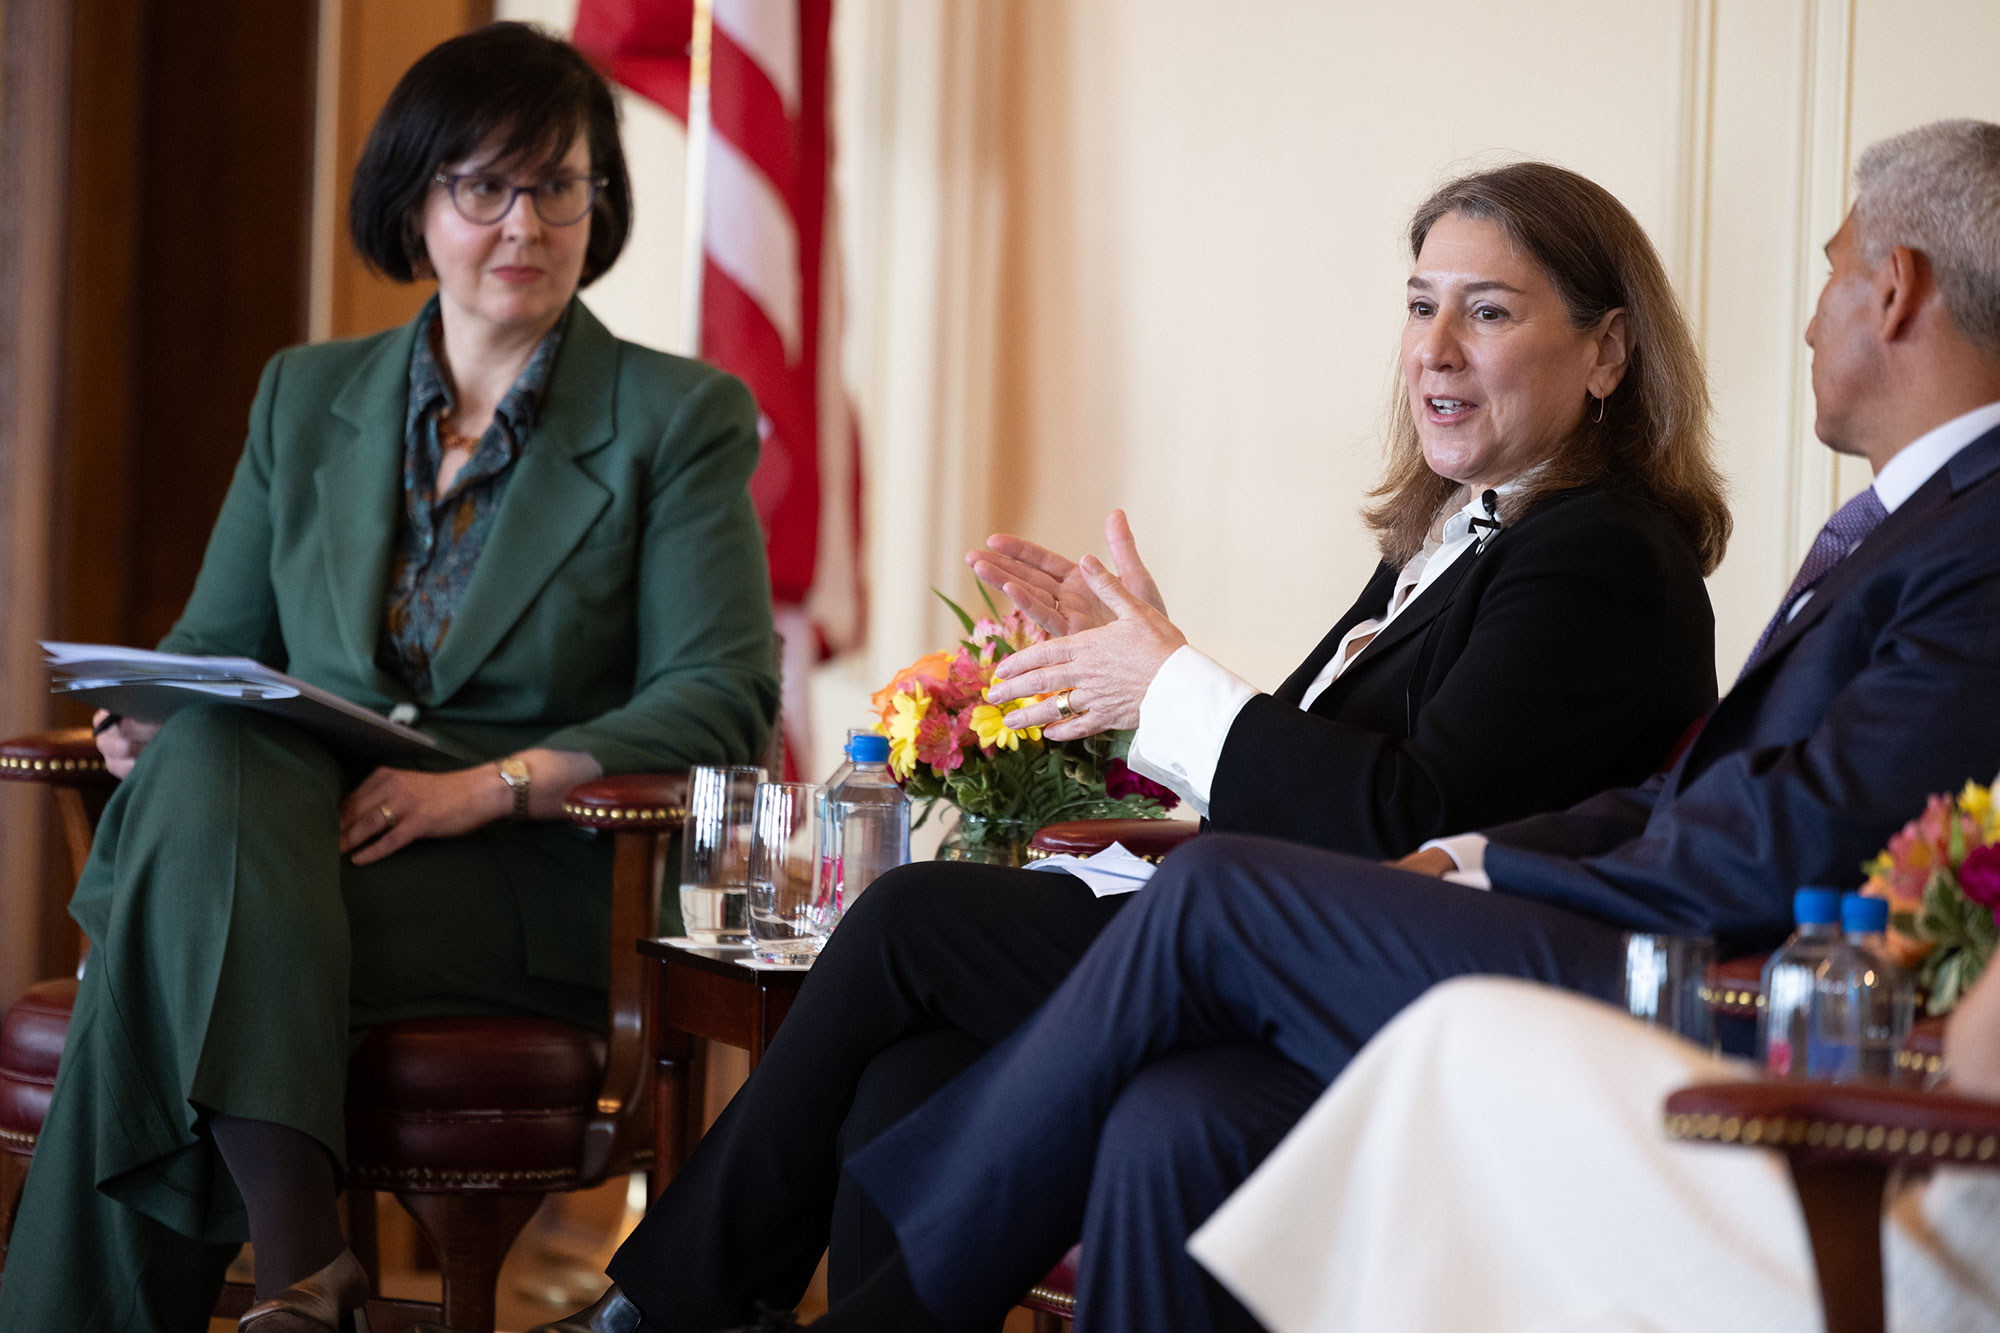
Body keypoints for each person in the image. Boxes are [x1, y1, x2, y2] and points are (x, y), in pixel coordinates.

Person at [796, 119, 2000, 1333]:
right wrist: (1468, 853)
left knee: (1199, 896)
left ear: (1890, 291)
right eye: (1420, 305)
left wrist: (1490, 862)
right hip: (1600, 933)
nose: (1806, 319)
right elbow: (1683, 793)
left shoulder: (1952, 537)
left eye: (1830, 270)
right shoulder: (1904, 523)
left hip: (1695, 990)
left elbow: (1795, 834)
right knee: (1169, 1116)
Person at [550, 161, 1729, 1333]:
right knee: (895, 1090)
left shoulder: (1598, 556)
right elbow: (1315, 771)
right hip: (1262, 928)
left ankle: (654, 1313)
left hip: (1375, 980)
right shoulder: (1456, 534)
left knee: (907, 921)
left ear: (1607, 352)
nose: (1434, 347)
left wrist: (1169, 680)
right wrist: (1133, 675)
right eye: (1420, 304)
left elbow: (1406, 815)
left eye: (1487, 310)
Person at [0, 23, 777, 1333]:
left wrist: (486, 788)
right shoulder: (306, 398)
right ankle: (311, 1276)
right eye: (485, 185)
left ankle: (281, 1282)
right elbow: (214, 655)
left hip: (525, 883)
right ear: (414, 206)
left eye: (561, 185)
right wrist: (149, 718)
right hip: (295, 848)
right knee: (202, 755)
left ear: (602, 204)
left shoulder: (676, 418)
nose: (525, 220)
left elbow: (721, 698)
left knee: (163, 945)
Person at [1187, 971, 2000, 1332]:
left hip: (1910, 1258)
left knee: (1464, 1035)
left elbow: (1978, 1062)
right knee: (1179, 1112)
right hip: (1894, 1180)